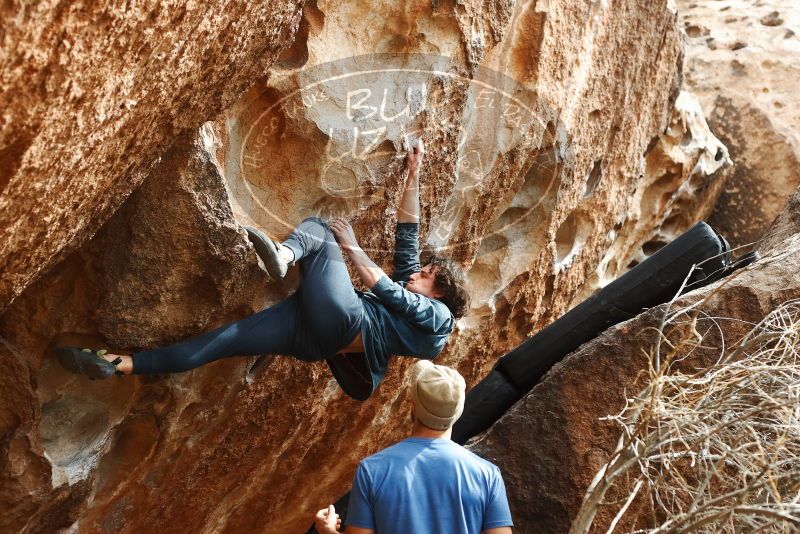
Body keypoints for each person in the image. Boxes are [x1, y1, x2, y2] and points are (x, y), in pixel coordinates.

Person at [55, 140, 470, 400]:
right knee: (226, 340)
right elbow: (407, 233)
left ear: (440, 291)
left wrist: (353, 249)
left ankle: (285, 257)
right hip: (316, 340)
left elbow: (385, 288)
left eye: (428, 273)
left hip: (345, 320)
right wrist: (413, 173)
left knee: (322, 231)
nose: (417, 273)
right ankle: (123, 364)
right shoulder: (416, 297)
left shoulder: (439, 319)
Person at [314, 360, 514, 534]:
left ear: (413, 407)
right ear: (457, 413)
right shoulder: (487, 475)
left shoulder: (372, 471)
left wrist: (328, 530)